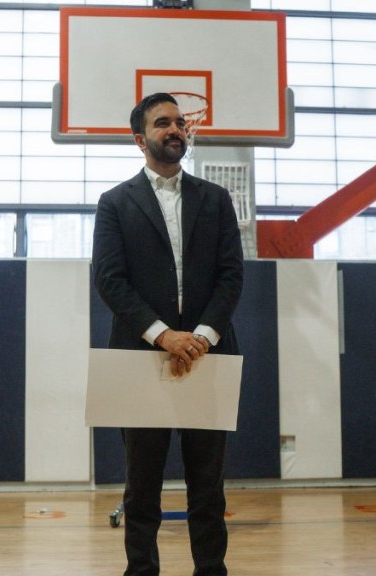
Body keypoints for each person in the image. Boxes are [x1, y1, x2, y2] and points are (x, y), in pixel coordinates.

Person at [92, 92, 244, 576]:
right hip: (139, 357)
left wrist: (199, 338)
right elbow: (110, 280)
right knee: (141, 488)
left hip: (208, 356)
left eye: (180, 122)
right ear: (140, 140)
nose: (176, 129)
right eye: (163, 123)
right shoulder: (115, 203)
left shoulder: (216, 200)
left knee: (208, 488)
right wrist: (164, 336)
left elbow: (231, 276)